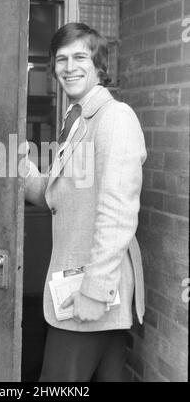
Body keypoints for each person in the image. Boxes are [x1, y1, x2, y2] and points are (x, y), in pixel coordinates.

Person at [24, 22, 147, 382]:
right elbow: (58, 195)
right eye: (61, 59)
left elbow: (118, 212)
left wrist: (94, 292)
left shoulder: (114, 118)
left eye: (80, 56)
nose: (69, 66)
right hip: (88, 289)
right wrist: (23, 170)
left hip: (91, 290)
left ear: (99, 65)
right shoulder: (76, 119)